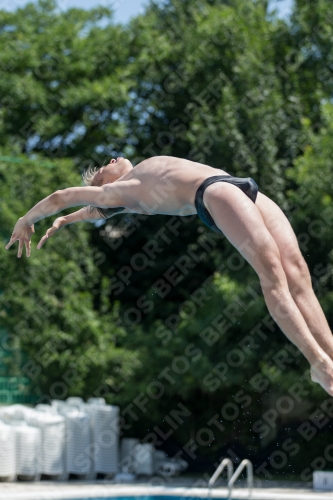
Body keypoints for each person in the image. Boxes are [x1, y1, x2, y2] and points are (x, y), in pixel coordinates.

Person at [5, 155, 333, 396]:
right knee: (272, 274)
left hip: (240, 187)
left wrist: (64, 222)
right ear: (104, 182)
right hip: (216, 192)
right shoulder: (121, 190)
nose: (111, 158)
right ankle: (317, 362)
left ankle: (330, 355)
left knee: (298, 274)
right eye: (105, 165)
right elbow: (64, 197)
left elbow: (89, 212)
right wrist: (26, 218)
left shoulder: (130, 193)